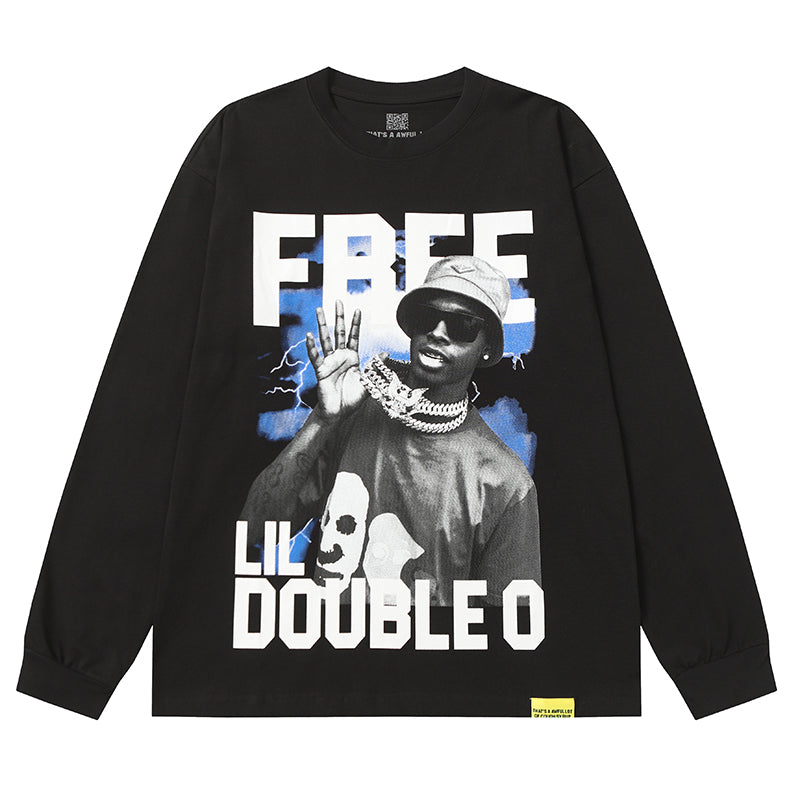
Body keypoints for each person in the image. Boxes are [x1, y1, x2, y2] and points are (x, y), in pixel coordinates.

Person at [239, 255, 541, 607]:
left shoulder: (507, 483)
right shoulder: (350, 417)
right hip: (325, 641)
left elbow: (508, 624)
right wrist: (322, 419)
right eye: (428, 317)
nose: (438, 332)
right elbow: (253, 532)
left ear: (487, 347)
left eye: (463, 325)